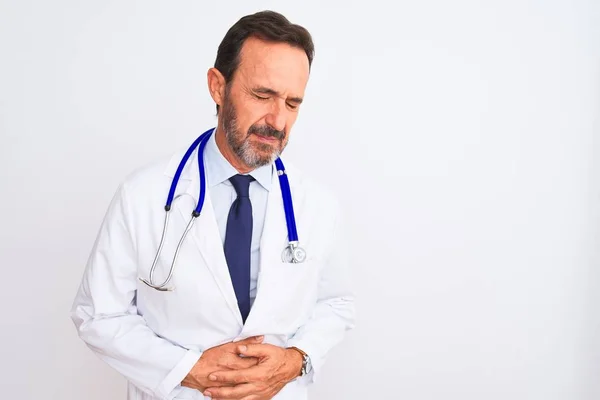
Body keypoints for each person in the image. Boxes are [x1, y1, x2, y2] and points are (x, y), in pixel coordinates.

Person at [70, 10, 355, 400]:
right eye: (262, 95)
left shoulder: (317, 205)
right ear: (217, 87)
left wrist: (296, 359)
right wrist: (190, 369)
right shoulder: (144, 195)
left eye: (292, 103)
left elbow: (336, 303)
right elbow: (97, 315)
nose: (278, 120)